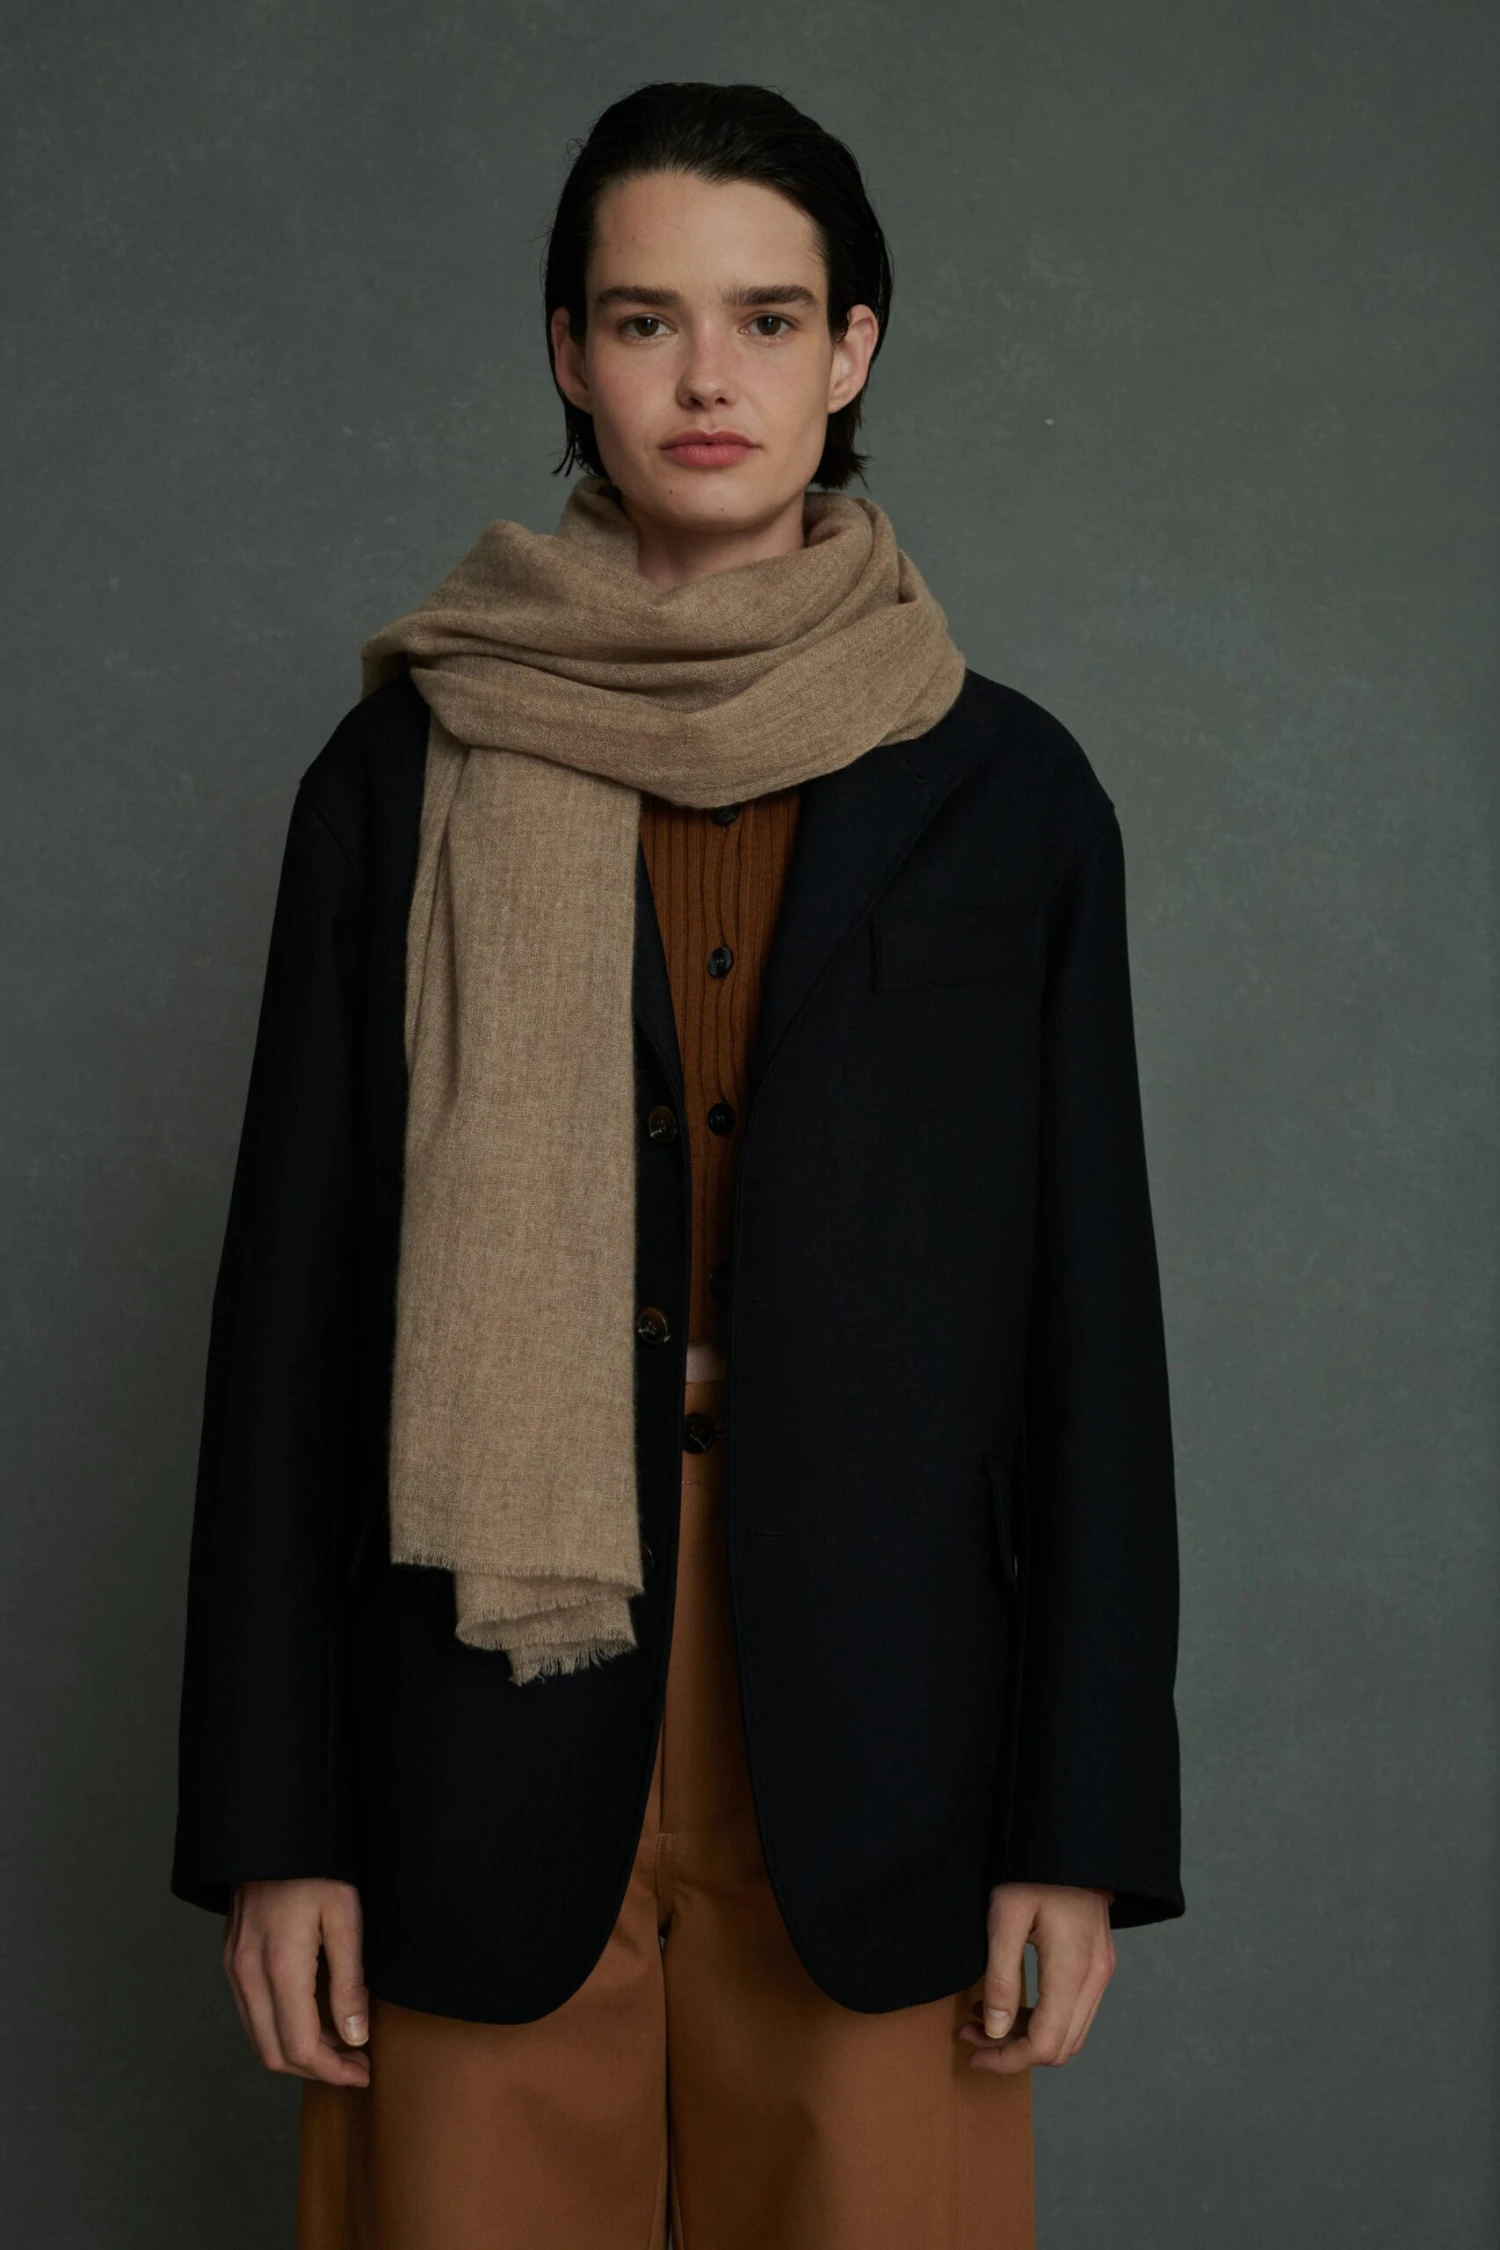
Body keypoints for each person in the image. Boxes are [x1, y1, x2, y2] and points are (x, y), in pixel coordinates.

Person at [172, 79, 1182, 2250]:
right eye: (645, 320)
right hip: (472, 1681)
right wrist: (274, 1821)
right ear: (569, 351)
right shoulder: (398, 774)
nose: (706, 378)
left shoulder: (1012, 795)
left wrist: (1079, 1825)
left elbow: (1093, 1333)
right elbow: (286, 1325)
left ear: (854, 349)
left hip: (890, 1720)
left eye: (766, 318)